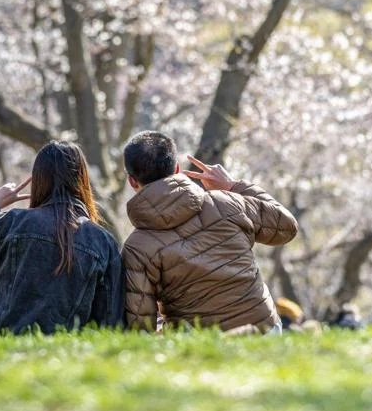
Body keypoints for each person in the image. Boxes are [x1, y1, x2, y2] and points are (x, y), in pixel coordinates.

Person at [0, 140, 124, 335]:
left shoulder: (13, 223)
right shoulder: (104, 243)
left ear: (38, 180)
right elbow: (111, 321)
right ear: (83, 180)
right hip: (62, 356)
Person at [121, 130, 298, 333]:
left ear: (132, 181)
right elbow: (286, 227)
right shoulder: (227, 202)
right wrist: (233, 186)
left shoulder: (137, 246)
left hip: (198, 342)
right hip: (263, 329)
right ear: (177, 168)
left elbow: (141, 323)